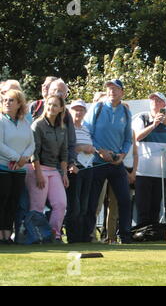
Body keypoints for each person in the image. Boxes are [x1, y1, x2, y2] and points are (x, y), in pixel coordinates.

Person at [84, 79, 133, 244]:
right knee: (93, 201)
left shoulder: (125, 112)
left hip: (117, 164)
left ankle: (125, 236)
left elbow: (127, 139)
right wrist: (100, 151)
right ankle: (88, 236)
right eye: (109, 88)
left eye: (116, 88)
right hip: (98, 163)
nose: (112, 91)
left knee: (125, 200)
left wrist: (122, 155)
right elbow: (87, 133)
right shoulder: (97, 108)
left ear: (122, 92)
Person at [25, 95, 69, 243]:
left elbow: (64, 153)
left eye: (55, 105)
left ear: (61, 108)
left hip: (54, 170)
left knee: (61, 204)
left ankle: (54, 235)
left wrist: (64, 174)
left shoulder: (63, 128)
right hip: (37, 169)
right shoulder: (37, 125)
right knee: (37, 207)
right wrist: (38, 174)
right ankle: (36, 236)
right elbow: (34, 152)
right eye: (49, 104)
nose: (51, 107)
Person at [0, 90, 35, 244]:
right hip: (3, 167)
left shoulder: (24, 123)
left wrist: (24, 159)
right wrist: (17, 158)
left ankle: (7, 235)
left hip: (19, 170)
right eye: (5, 100)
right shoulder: (0, 120)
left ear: (19, 103)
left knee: (13, 202)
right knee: (2, 201)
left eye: (11, 100)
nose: (7, 102)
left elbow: (31, 144)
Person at [133, 92, 166, 226]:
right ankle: (142, 233)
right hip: (143, 171)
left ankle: (153, 234)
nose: (154, 101)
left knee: (156, 208)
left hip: (162, 172)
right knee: (143, 207)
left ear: (164, 104)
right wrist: (153, 125)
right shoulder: (142, 118)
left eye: (158, 100)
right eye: (152, 99)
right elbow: (137, 137)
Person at [65, 99, 95, 243]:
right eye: (75, 109)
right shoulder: (67, 128)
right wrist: (83, 147)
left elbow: (90, 147)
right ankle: (73, 237)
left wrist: (90, 149)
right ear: (70, 111)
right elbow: (70, 147)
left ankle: (83, 236)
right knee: (74, 206)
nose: (78, 112)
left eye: (81, 110)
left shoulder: (86, 129)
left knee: (84, 205)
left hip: (87, 168)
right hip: (74, 169)